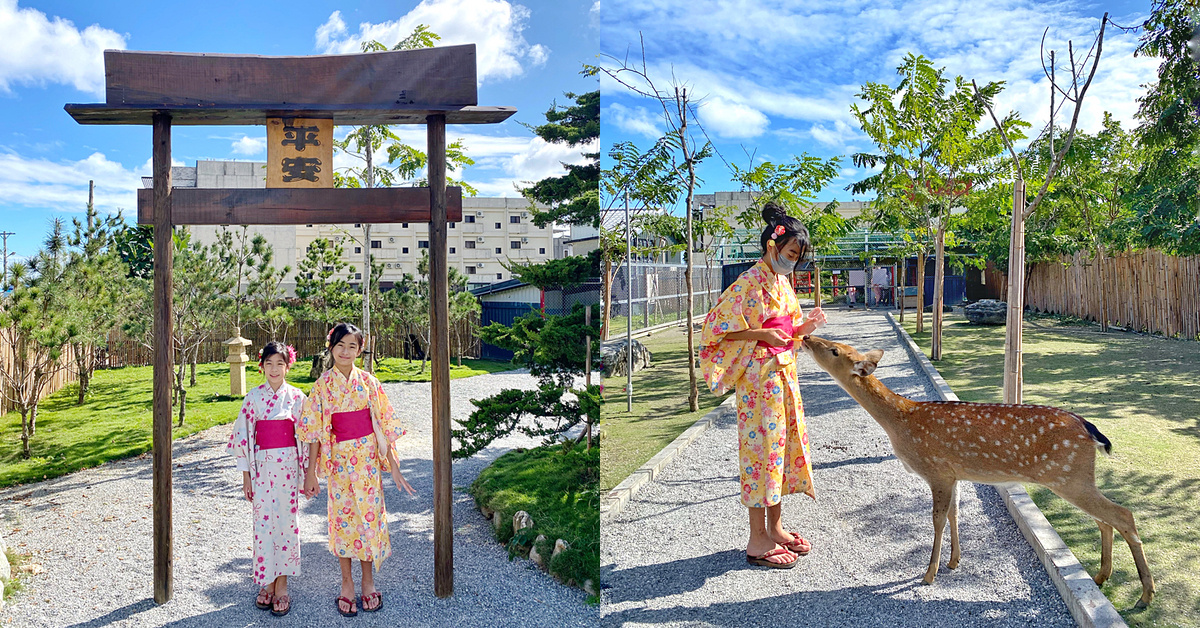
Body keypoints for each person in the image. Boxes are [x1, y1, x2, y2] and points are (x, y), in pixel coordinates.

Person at [698, 202, 828, 569]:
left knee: (778, 454)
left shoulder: (780, 281)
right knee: (760, 457)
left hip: (782, 377)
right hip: (758, 383)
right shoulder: (748, 282)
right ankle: (757, 541)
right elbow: (714, 330)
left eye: (798, 257)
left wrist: (805, 328)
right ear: (772, 246)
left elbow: (789, 329)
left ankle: (776, 528)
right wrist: (760, 332)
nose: (793, 262)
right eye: (790, 254)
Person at [299, 323, 416, 617]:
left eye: (352, 346)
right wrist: (311, 473)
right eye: (340, 345)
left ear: (360, 350)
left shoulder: (369, 383)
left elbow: (383, 425)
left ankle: (368, 581)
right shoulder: (323, 385)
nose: (346, 351)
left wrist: (394, 465)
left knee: (368, 521)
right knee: (343, 523)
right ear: (331, 347)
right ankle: (347, 583)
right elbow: (313, 433)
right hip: (339, 463)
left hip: (366, 464)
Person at [226, 341, 308, 617]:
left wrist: (307, 475)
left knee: (286, 526)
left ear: (288, 366)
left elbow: (306, 439)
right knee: (263, 528)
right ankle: (267, 581)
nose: (274, 369)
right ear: (261, 366)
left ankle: (282, 584)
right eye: (269, 363)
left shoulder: (297, 398)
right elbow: (243, 439)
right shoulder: (253, 398)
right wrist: (246, 477)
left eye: (280, 364)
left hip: (287, 469)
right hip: (261, 470)